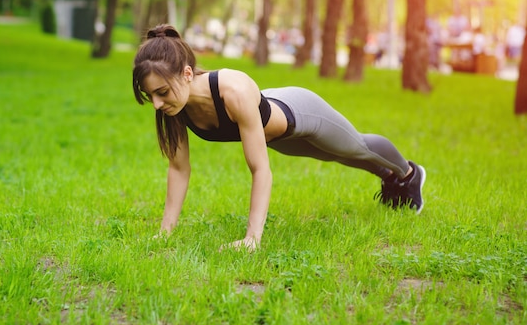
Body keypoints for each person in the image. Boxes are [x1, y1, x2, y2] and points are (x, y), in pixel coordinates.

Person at [132, 24, 426, 251]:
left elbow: (260, 170)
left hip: (302, 113)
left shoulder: (232, 90)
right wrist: (164, 234)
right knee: (337, 155)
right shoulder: (174, 106)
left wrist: (252, 239)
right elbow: (179, 169)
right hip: (278, 137)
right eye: (150, 95)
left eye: (161, 93)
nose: (156, 104)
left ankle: (409, 173)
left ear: (185, 73)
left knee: (356, 147)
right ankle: (389, 177)